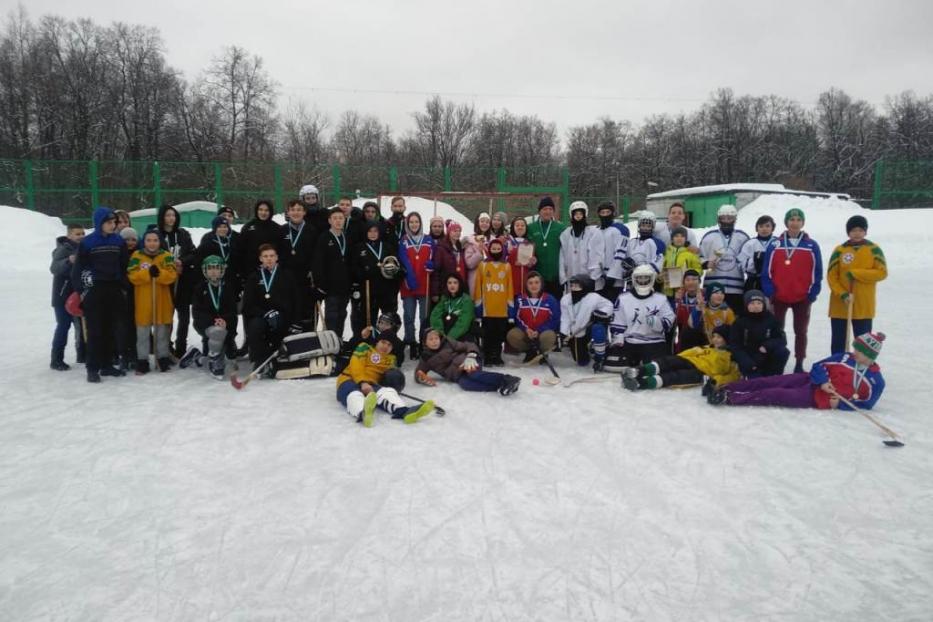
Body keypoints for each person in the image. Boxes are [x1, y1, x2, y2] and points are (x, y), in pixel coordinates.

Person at [708, 331, 886, 410]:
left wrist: (839, 405)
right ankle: (725, 387)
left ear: (870, 356)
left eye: (859, 351)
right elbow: (819, 365)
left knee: (775, 394)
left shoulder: (876, 382)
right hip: (809, 380)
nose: (854, 352)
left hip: (818, 398)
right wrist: (823, 381)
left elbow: (867, 405)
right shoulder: (844, 357)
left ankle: (730, 398)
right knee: (770, 381)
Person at [761, 208, 823, 373]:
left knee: (801, 331)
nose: (795, 223)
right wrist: (769, 290)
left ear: (803, 223)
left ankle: (799, 362)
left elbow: (817, 272)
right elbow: (766, 270)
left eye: (798, 220)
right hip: (779, 296)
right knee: (777, 330)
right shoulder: (775, 244)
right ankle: (776, 359)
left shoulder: (811, 245)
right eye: (792, 219)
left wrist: (812, 293)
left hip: (802, 297)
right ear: (786, 222)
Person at [72, 207, 129, 382]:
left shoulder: (118, 241)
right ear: (99, 223)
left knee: (110, 329)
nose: (113, 225)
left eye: (114, 222)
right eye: (109, 222)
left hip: (113, 289)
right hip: (95, 290)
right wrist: (81, 291)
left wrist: (123, 286)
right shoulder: (88, 242)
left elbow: (123, 265)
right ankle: (92, 368)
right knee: (95, 330)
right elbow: (79, 268)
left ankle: (107, 365)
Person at [336, 339, 434, 427]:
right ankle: (363, 413)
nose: (385, 346)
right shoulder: (365, 347)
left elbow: (391, 376)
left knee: (387, 392)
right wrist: (363, 382)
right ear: (377, 342)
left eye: (389, 345)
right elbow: (356, 364)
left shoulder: (390, 359)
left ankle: (404, 411)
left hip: (371, 384)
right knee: (354, 394)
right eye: (383, 342)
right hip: (348, 379)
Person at [826, 215, 887, 354]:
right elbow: (831, 276)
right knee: (838, 342)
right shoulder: (840, 250)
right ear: (848, 232)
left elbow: (882, 272)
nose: (857, 233)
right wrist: (842, 294)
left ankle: (861, 370)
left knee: (863, 344)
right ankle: (838, 368)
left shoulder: (873, 249)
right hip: (841, 305)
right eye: (853, 230)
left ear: (865, 231)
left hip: (863, 304)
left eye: (860, 230)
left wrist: (857, 273)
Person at [621, 325, 739, 391]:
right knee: (667, 362)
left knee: (675, 376)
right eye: (714, 336)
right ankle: (638, 371)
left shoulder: (730, 356)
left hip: (701, 373)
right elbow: (690, 352)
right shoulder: (707, 348)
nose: (715, 339)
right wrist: (677, 358)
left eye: (719, 337)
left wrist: (714, 381)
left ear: (727, 339)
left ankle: (641, 383)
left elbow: (732, 375)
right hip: (690, 361)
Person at [128, 229, 178, 373]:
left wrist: (160, 273)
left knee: (162, 332)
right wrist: (146, 273)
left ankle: (162, 358)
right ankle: (142, 361)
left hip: (161, 300)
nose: (152, 243)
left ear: (159, 242)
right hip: (143, 301)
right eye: (148, 240)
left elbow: (172, 275)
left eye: (155, 240)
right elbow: (132, 275)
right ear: (144, 242)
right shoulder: (137, 256)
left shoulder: (166, 256)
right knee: (142, 334)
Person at [608, 264, 675, 369]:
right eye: (640, 278)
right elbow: (618, 322)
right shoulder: (623, 299)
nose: (643, 281)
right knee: (612, 365)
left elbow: (669, 321)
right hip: (630, 341)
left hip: (654, 341)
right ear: (634, 279)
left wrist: (656, 323)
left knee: (658, 367)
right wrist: (619, 339)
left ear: (652, 279)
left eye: (646, 278)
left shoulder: (661, 299)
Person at [416, 328, 521, 395]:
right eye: (431, 339)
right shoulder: (426, 357)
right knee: (466, 384)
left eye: (436, 338)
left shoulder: (447, 342)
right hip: (457, 375)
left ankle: (507, 380)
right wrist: (421, 378)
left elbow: (468, 345)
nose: (434, 341)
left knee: (474, 374)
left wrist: (471, 355)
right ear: (425, 342)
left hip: (469, 361)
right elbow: (419, 372)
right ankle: (500, 387)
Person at [243, 244, 297, 373]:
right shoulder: (254, 277)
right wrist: (265, 313)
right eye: (265, 256)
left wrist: (293, 319)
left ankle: (276, 359)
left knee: (281, 328)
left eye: (272, 256)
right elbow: (248, 305)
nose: (269, 259)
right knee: (255, 326)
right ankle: (260, 360)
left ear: (277, 257)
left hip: (282, 315)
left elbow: (295, 299)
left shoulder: (287, 275)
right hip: (262, 316)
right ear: (260, 259)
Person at [156, 204, 197, 357]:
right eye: (167, 215)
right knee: (167, 315)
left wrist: (182, 262)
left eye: (173, 215)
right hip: (165, 282)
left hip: (183, 281)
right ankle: (166, 345)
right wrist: (167, 266)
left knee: (184, 315)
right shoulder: (156, 235)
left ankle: (181, 346)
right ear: (162, 217)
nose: (171, 218)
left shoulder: (183, 234)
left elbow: (193, 253)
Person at [350, 220, 401, 339]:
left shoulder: (387, 246)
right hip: (368, 290)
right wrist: (363, 273)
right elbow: (353, 267)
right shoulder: (359, 248)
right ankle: (367, 342)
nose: (373, 234)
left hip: (386, 290)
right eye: (370, 231)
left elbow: (396, 264)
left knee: (388, 319)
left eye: (375, 231)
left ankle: (388, 341)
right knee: (368, 319)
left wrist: (393, 273)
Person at [191, 255, 239, 379]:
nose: (213, 271)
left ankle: (197, 357)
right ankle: (215, 361)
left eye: (216, 268)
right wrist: (214, 321)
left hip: (225, 325)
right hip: (207, 325)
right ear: (205, 270)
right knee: (217, 332)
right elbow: (197, 312)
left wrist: (225, 320)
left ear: (222, 269)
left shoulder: (228, 287)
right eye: (210, 268)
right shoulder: (199, 288)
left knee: (229, 354)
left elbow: (232, 311)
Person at [398, 212, 435, 358]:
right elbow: (403, 259)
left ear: (420, 223)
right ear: (407, 224)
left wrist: (432, 264)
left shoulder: (428, 239)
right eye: (411, 222)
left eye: (416, 222)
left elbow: (433, 257)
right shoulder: (404, 240)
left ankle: (423, 342)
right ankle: (411, 341)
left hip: (424, 282)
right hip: (409, 283)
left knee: (424, 317)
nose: (414, 224)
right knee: (408, 315)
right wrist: (409, 276)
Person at [50, 223, 86, 370]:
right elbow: (54, 268)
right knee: (63, 326)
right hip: (62, 296)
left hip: (78, 294)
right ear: (69, 235)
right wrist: (68, 261)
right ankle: (56, 359)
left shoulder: (84, 248)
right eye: (77, 234)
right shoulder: (62, 249)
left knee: (81, 326)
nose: (81, 236)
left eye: (83, 233)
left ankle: (82, 354)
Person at [728, 289, 789, 378]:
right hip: (749, 359)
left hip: (766, 356)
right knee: (757, 383)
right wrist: (748, 363)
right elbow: (735, 346)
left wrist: (767, 345)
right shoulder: (739, 322)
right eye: (752, 303)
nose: (756, 306)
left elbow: (782, 340)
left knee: (782, 351)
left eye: (759, 303)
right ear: (746, 304)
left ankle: (775, 377)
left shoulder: (771, 319)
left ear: (763, 304)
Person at [699, 204, 750, 311]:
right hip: (713, 287)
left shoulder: (743, 237)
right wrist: (706, 263)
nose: (726, 221)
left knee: (735, 320)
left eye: (730, 218)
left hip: (736, 288)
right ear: (719, 219)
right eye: (723, 218)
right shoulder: (709, 236)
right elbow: (698, 258)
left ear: (735, 219)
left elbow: (748, 260)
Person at [312, 208, 352, 337]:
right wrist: (320, 283)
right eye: (335, 218)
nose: (338, 221)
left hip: (344, 286)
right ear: (329, 220)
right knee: (331, 315)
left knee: (342, 314)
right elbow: (318, 262)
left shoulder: (346, 237)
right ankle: (330, 342)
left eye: (340, 218)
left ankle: (338, 340)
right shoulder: (324, 237)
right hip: (330, 286)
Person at [474, 237, 513, 366]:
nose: (495, 250)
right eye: (493, 248)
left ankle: (497, 355)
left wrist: (510, 308)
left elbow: (510, 287)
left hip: (501, 309)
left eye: (498, 248)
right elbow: (478, 287)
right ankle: (487, 355)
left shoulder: (506, 266)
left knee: (499, 334)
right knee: (488, 334)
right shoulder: (483, 265)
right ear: (489, 250)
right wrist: (478, 308)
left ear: (502, 250)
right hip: (487, 308)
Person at [278, 198, 317, 331]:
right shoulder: (281, 230)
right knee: (289, 306)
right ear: (288, 212)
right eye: (293, 210)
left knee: (306, 308)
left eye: (299, 210)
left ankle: (308, 338)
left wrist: (312, 270)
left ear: (304, 212)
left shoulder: (311, 230)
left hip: (305, 276)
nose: (296, 213)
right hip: (287, 276)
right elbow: (277, 252)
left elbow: (315, 253)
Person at [560, 274, 613, 368]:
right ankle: (589, 349)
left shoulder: (594, 297)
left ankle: (600, 356)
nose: (574, 288)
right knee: (581, 361)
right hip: (576, 332)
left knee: (598, 328)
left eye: (577, 285)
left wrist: (599, 314)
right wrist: (564, 332)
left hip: (589, 327)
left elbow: (609, 305)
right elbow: (565, 318)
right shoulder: (565, 299)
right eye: (572, 285)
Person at [507, 271, 561, 361]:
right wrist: (526, 329)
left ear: (541, 284)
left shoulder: (550, 299)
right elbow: (517, 317)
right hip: (527, 333)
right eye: (530, 283)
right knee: (512, 335)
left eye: (536, 282)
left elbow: (555, 319)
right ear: (526, 285)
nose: (534, 286)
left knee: (549, 336)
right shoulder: (520, 299)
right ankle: (530, 351)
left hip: (542, 333)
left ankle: (542, 352)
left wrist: (539, 330)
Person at [607, 211, 664, 291]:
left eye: (648, 226)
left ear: (653, 227)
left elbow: (657, 265)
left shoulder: (657, 243)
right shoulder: (631, 242)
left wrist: (637, 271)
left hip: (647, 284)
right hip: (631, 284)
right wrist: (625, 270)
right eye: (643, 225)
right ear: (639, 226)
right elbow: (623, 261)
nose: (645, 228)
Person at [559, 201, 604, 293]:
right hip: (572, 279)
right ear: (571, 215)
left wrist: (593, 277)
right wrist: (563, 278)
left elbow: (597, 256)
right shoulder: (566, 234)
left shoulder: (593, 232)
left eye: (581, 213)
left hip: (589, 280)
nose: (578, 216)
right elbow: (562, 257)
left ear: (585, 214)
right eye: (575, 214)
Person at [526, 196, 565, 298]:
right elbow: (524, 246)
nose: (547, 212)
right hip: (537, 277)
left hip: (555, 276)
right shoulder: (531, 228)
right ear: (539, 211)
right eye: (544, 209)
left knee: (555, 305)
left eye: (550, 209)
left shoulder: (560, 227)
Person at [595, 201, 628, 301]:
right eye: (602, 213)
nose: (605, 215)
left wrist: (613, 275)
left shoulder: (621, 229)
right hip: (600, 278)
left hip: (615, 279)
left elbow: (621, 253)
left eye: (607, 212)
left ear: (613, 213)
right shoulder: (596, 230)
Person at [239, 199, 280, 276]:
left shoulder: (277, 228)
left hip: (272, 270)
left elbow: (280, 250)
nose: (263, 213)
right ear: (256, 211)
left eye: (266, 210)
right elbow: (241, 250)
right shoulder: (248, 227)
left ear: (270, 212)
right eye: (260, 210)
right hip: (251, 270)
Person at [430, 273, 475, 341]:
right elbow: (435, 314)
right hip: (444, 332)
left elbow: (464, 323)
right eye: (449, 283)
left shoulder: (466, 300)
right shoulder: (445, 298)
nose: (452, 285)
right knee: (426, 323)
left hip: (460, 333)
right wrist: (440, 333)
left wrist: (449, 338)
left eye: (455, 283)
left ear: (460, 284)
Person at [661, 226, 702, 299]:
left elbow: (699, 271)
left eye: (682, 236)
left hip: (683, 292)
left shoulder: (691, 254)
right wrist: (660, 276)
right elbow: (661, 269)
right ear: (672, 239)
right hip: (667, 292)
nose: (679, 238)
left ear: (685, 239)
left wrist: (688, 273)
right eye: (676, 236)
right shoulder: (666, 253)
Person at [739, 215, 778, 292]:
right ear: (757, 228)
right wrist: (754, 260)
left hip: (773, 281)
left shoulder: (778, 243)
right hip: (754, 281)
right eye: (761, 226)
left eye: (767, 226)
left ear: (772, 228)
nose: (764, 229)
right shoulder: (750, 243)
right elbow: (741, 264)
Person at [431, 220, 467, 302]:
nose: (457, 233)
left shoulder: (460, 247)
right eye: (454, 231)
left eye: (459, 231)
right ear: (449, 232)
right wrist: (435, 292)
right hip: (445, 288)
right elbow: (436, 271)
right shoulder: (441, 248)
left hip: (459, 288)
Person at [118, 227, 139, 368]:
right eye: (127, 240)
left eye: (133, 239)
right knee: (123, 326)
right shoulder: (118, 254)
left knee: (135, 325)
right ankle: (123, 355)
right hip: (122, 293)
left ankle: (134, 354)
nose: (130, 242)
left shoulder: (139, 254)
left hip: (136, 293)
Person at [673, 270, 706, 351]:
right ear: (683, 282)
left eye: (694, 279)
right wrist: (677, 303)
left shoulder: (706, 296)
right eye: (688, 280)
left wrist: (702, 306)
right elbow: (676, 320)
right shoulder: (680, 297)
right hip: (684, 339)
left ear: (699, 281)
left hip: (702, 338)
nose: (691, 282)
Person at [506, 216, 536, 298]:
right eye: (517, 225)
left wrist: (533, 262)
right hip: (511, 279)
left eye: (522, 225)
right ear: (513, 227)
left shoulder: (530, 243)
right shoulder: (507, 242)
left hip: (526, 279)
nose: (520, 227)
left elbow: (532, 263)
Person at [464, 212, 492, 295]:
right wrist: (479, 253)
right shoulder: (470, 240)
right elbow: (469, 264)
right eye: (482, 221)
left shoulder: (493, 240)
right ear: (477, 223)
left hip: (491, 278)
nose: (484, 224)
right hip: (475, 279)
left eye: (487, 222)